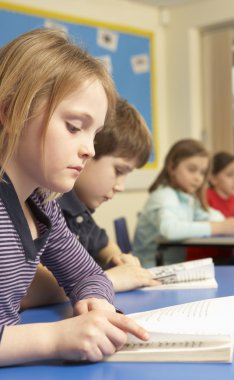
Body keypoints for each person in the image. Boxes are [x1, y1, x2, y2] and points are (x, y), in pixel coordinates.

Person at [0, 28, 148, 367]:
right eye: (73, 126)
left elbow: (88, 274)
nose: (89, 149)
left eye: (93, 133)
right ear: (11, 110)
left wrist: (95, 301)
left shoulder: (41, 207)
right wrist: (56, 338)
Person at [21, 98, 159, 309]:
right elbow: (24, 287)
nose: (120, 186)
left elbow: (100, 244)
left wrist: (118, 258)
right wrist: (111, 279)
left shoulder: (68, 208)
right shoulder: (48, 199)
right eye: (73, 128)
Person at [133, 139, 234, 268]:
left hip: (171, 266)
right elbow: (170, 230)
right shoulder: (164, 195)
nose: (198, 178)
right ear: (172, 167)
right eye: (192, 170)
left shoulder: (186, 197)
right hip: (151, 267)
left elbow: (208, 215)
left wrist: (225, 223)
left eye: (202, 172)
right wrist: (218, 227)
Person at [187, 151, 234, 263]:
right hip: (202, 260)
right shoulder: (206, 196)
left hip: (226, 257)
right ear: (213, 178)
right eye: (230, 175)